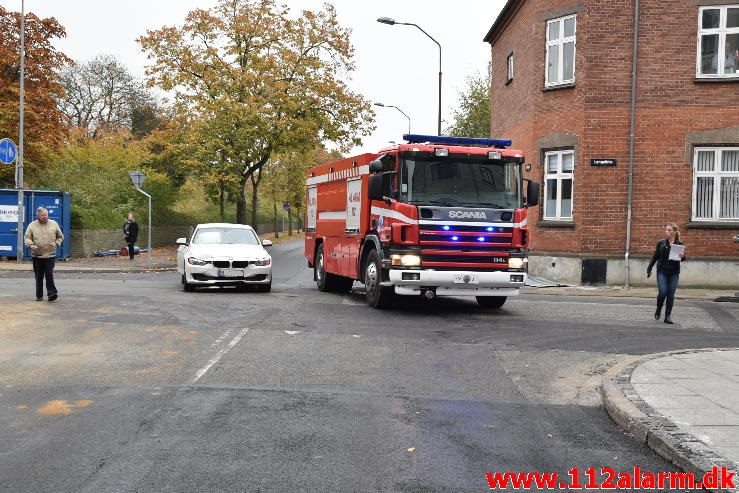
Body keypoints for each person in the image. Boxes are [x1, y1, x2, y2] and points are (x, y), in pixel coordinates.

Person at [647, 223, 686, 324]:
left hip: (674, 272)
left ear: (674, 232)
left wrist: (682, 256)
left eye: (669, 230)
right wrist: (649, 267)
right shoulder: (661, 243)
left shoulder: (678, 244)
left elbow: (682, 259)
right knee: (663, 292)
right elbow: (655, 256)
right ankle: (659, 308)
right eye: (666, 230)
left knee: (671, 294)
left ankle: (667, 316)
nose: (667, 232)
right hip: (662, 272)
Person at [23, 207, 64, 302]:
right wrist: (31, 245)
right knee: (39, 276)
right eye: (42, 215)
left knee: (49, 274)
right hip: (37, 256)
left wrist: (56, 244)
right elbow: (27, 237)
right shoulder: (32, 225)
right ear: (38, 215)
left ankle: (52, 293)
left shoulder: (54, 224)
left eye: (46, 214)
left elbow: (60, 236)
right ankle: (39, 295)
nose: (45, 216)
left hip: (50, 255)